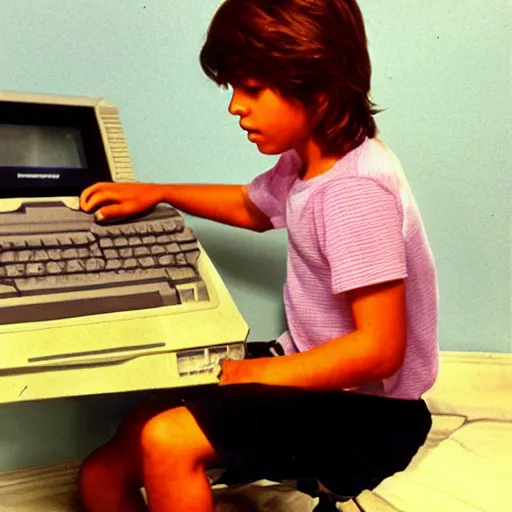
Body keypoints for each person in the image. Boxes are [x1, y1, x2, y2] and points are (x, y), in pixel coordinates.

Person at [78, 0, 439, 511]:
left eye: (251, 89)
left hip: (372, 414)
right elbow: (253, 206)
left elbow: (381, 350)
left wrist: (257, 374)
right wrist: (159, 191)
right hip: (308, 369)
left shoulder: (355, 190)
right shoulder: (312, 160)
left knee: (169, 439)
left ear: (318, 86)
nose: (235, 107)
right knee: (119, 450)